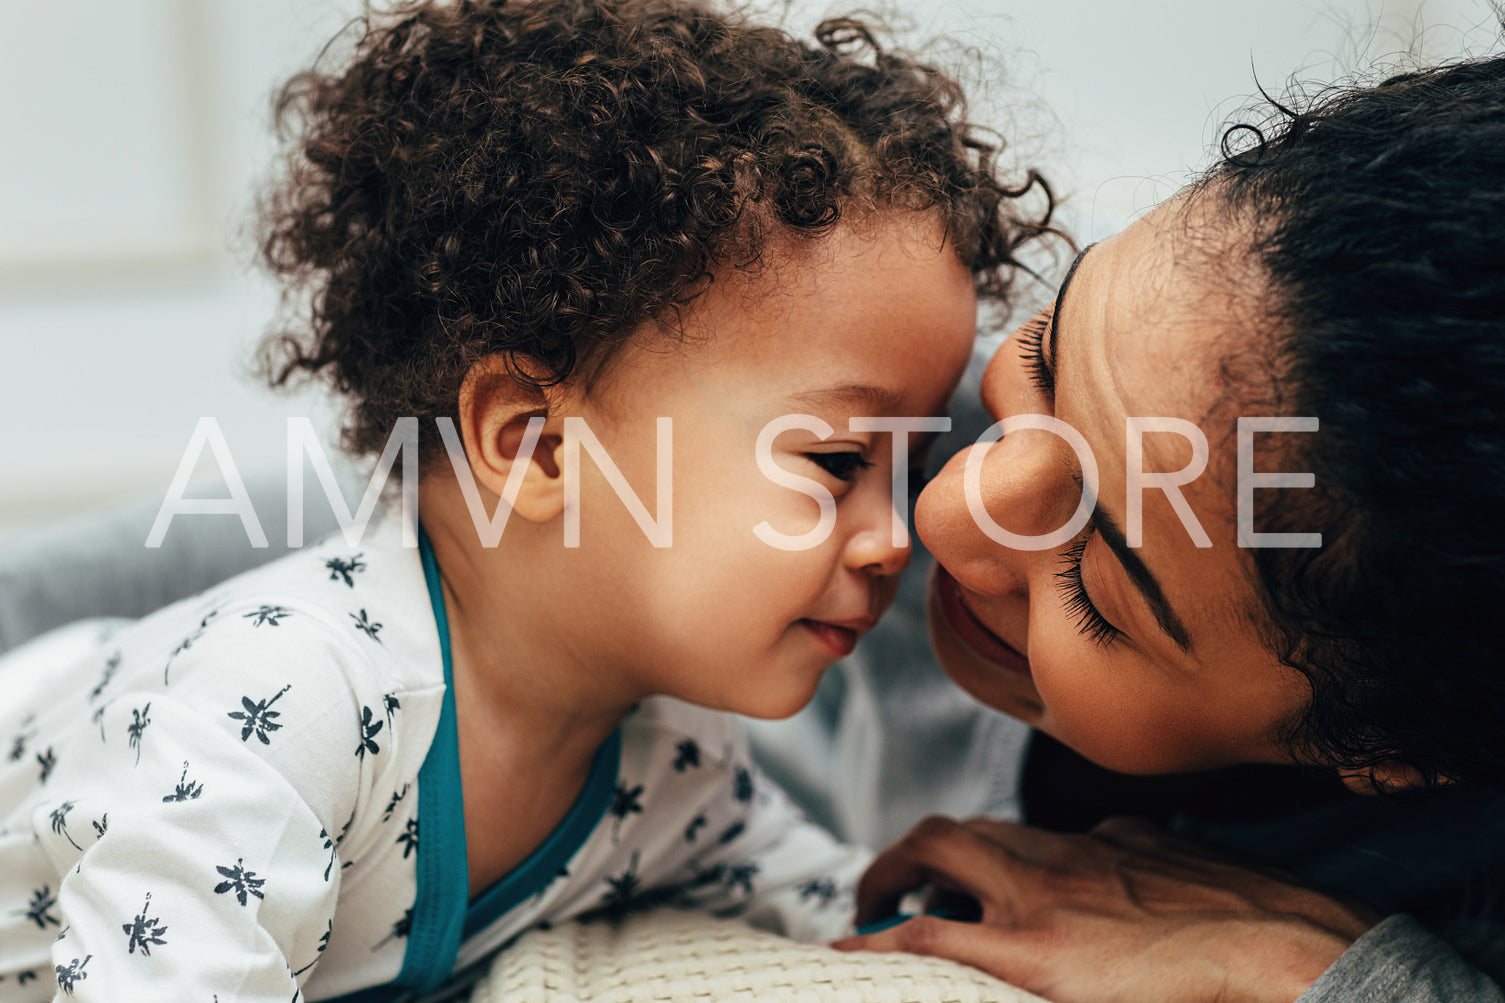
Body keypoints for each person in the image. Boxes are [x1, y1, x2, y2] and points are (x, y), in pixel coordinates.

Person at [0, 1, 1057, 998]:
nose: (894, 538)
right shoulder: (285, 706)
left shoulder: (664, 753)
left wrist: (1007, 911)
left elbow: (841, 910)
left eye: (907, 470)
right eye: (833, 462)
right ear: (534, 443)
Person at [831, 53, 1505, 1002]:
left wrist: (1326, 974)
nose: (943, 509)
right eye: (1043, 364)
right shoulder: (899, 362)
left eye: (1096, 584)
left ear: (1382, 753)